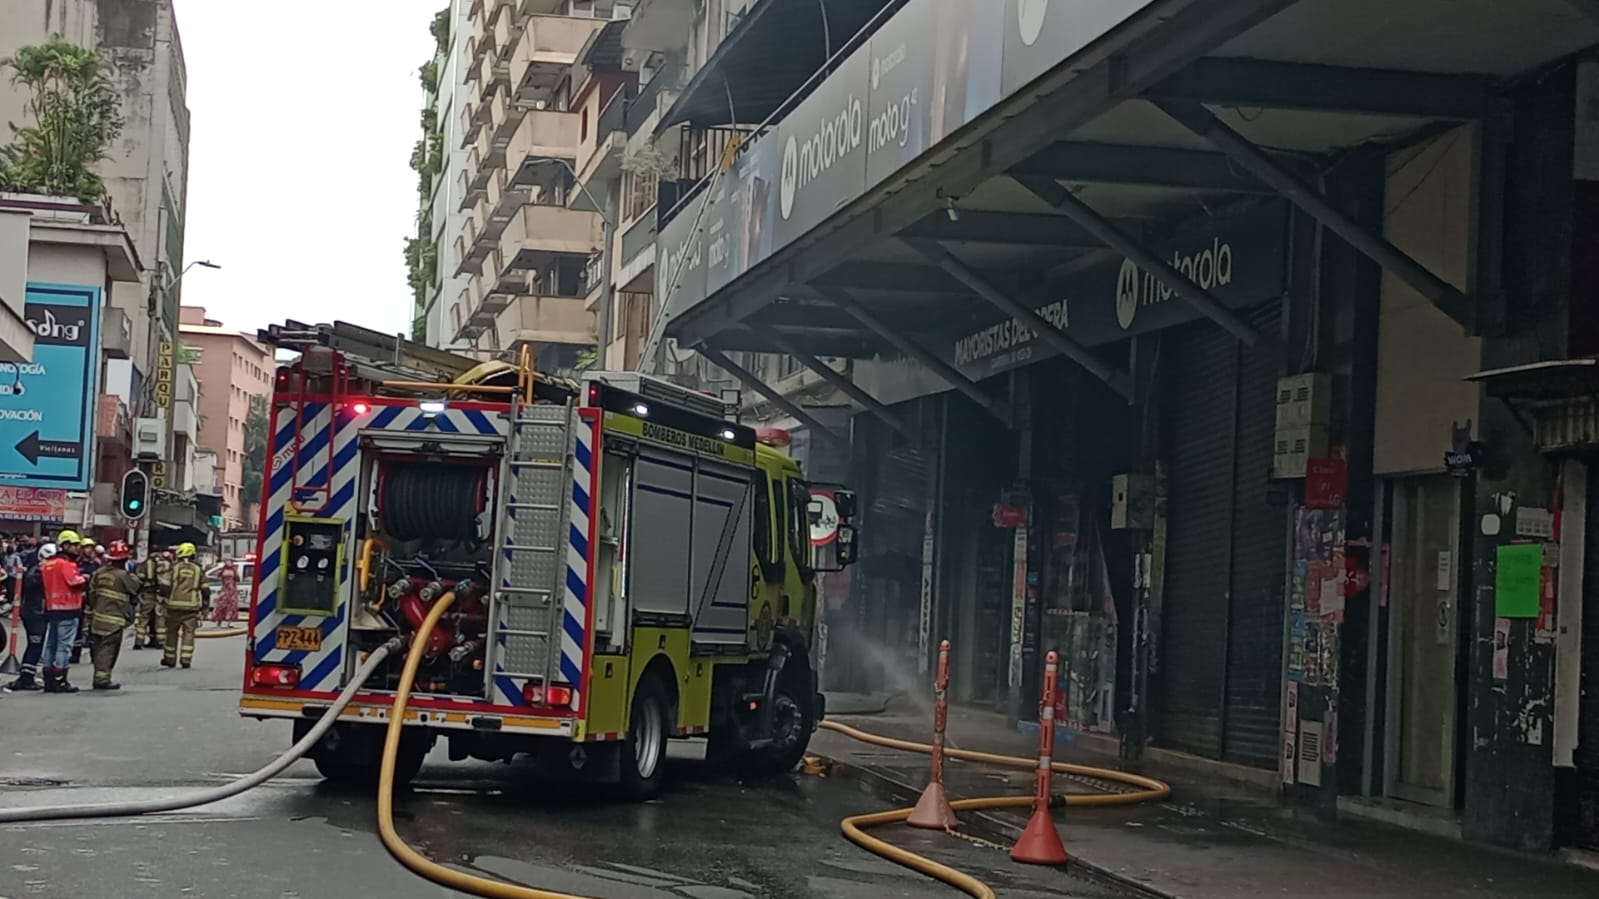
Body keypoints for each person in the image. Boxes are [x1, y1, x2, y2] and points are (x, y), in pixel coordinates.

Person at [85, 541, 139, 691]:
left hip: (96, 618)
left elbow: (91, 594)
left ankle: (100, 675)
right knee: (108, 650)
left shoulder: (99, 573)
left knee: (98, 648)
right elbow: (136, 587)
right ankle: (102, 679)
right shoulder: (124, 576)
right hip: (114, 620)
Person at [40, 531, 88, 693]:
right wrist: (86, 579)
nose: (77, 548)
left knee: (50, 645)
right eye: (74, 545)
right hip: (68, 609)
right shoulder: (65, 564)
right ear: (65, 545)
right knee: (63, 647)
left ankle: (48, 680)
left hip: (52, 609)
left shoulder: (48, 564)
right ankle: (61, 680)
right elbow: (74, 581)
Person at [3, 543, 52, 692]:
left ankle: (27, 676)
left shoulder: (39, 571)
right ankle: (26, 678)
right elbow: (32, 586)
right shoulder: (36, 573)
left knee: (36, 646)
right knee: (35, 645)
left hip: (38, 612)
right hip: (34, 613)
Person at [162, 542, 209, 669]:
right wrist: (205, 606)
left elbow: (164, 586)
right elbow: (205, 590)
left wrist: (162, 601)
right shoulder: (198, 569)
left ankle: (170, 658)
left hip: (173, 607)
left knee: (171, 632)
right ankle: (186, 659)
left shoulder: (173, 567)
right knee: (189, 633)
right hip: (191, 608)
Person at [134, 549, 171, 649]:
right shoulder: (166, 565)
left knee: (143, 618)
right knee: (160, 618)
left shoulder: (145, 564)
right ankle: (160, 642)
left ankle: (138, 642)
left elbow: (139, 579)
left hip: (148, 594)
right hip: (160, 595)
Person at [211, 560, 240, 626]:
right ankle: (221, 620)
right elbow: (237, 579)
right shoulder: (228, 570)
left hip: (229, 590)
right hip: (227, 590)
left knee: (229, 605)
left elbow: (237, 579)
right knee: (223, 605)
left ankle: (227, 621)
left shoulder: (230, 570)